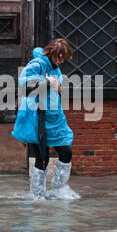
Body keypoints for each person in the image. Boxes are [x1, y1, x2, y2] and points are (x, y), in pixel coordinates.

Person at [12, 38, 80, 201]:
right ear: (51, 53)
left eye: (64, 58)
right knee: (43, 158)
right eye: (59, 57)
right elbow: (25, 88)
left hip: (55, 117)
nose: (61, 61)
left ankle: (59, 189)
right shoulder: (37, 65)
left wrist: (59, 89)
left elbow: (54, 93)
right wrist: (46, 81)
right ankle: (37, 195)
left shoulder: (55, 69)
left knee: (66, 152)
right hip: (38, 118)